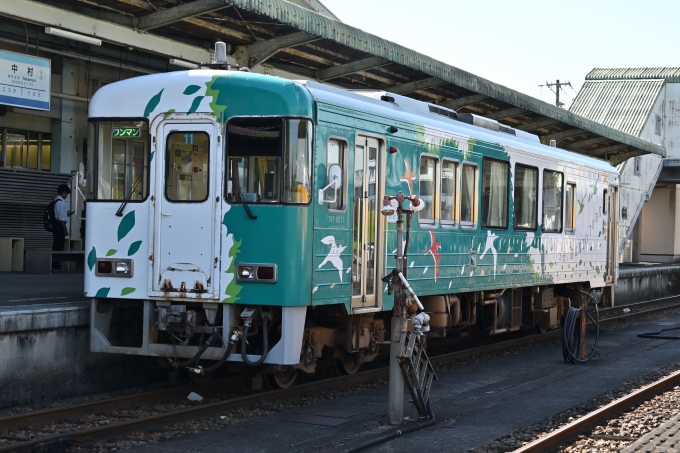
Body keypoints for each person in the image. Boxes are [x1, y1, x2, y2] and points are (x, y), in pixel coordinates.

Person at [52, 184, 74, 271]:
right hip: (59, 227)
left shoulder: (56, 201)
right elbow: (61, 218)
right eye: (67, 194)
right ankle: (57, 265)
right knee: (59, 246)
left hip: (56, 226)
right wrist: (65, 229)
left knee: (57, 245)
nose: (66, 196)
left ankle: (55, 264)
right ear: (63, 192)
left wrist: (67, 214)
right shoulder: (60, 203)